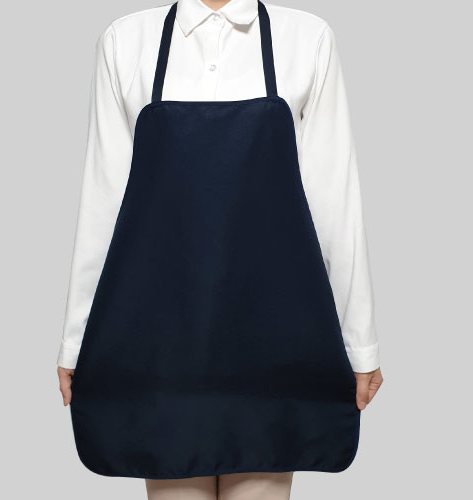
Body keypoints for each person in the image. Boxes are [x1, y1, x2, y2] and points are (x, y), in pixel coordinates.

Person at [57, 0, 383, 498]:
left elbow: (335, 202)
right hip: (160, 350)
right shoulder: (126, 40)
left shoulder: (308, 38)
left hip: (275, 348)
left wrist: (361, 344)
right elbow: (104, 203)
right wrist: (76, 342)